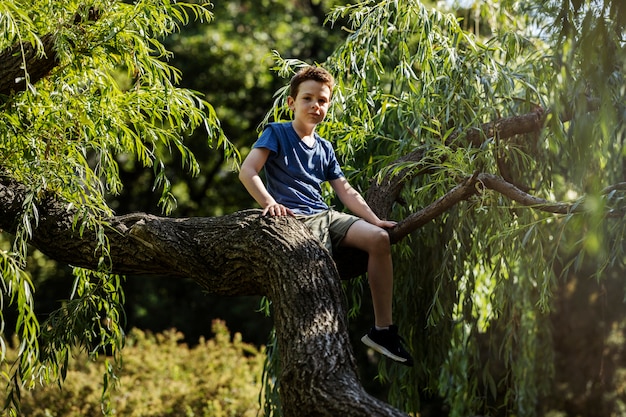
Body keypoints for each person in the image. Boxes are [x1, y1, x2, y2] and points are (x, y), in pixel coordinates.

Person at [239, 65, 413, 366]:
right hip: (299, 219)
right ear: (292, 103)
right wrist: (269, 203)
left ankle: (383, 330)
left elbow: (345, 191)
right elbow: (248, 171)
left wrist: (375, 220)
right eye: (308, 99)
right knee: (320, 273)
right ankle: (316, 342)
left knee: (380, 240)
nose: (315, 106)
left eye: (322, 100)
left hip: (325, 214)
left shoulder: (324, 147)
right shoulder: (277, 132)